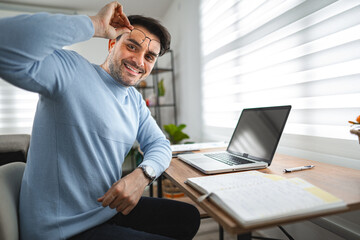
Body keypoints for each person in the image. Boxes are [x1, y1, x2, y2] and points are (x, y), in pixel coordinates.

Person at [0, 2, 200, 240]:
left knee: (188, 217)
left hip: (104, 210)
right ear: (112, 42)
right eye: (132, 46)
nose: (139, 61)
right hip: (62, 230)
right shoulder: (70, 70)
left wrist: (141, 176)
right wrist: (94, 24)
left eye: (149, 56)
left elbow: (160, 144)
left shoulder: (134, 100)